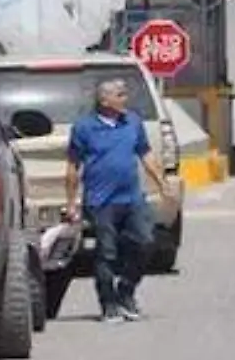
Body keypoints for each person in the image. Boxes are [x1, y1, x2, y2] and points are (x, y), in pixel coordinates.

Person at [65, 79, 171, 323]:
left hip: (132, 198)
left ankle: (126, 290)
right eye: (120, 95)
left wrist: (162, 183)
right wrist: (72, 202)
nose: (126, 99)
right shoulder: (84, 128)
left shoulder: (132, 122)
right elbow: (73, 167)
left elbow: (145, 154)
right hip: (100, 202)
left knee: (145, 242)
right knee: (107, 252)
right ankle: (109, 303)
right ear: (105, 101)